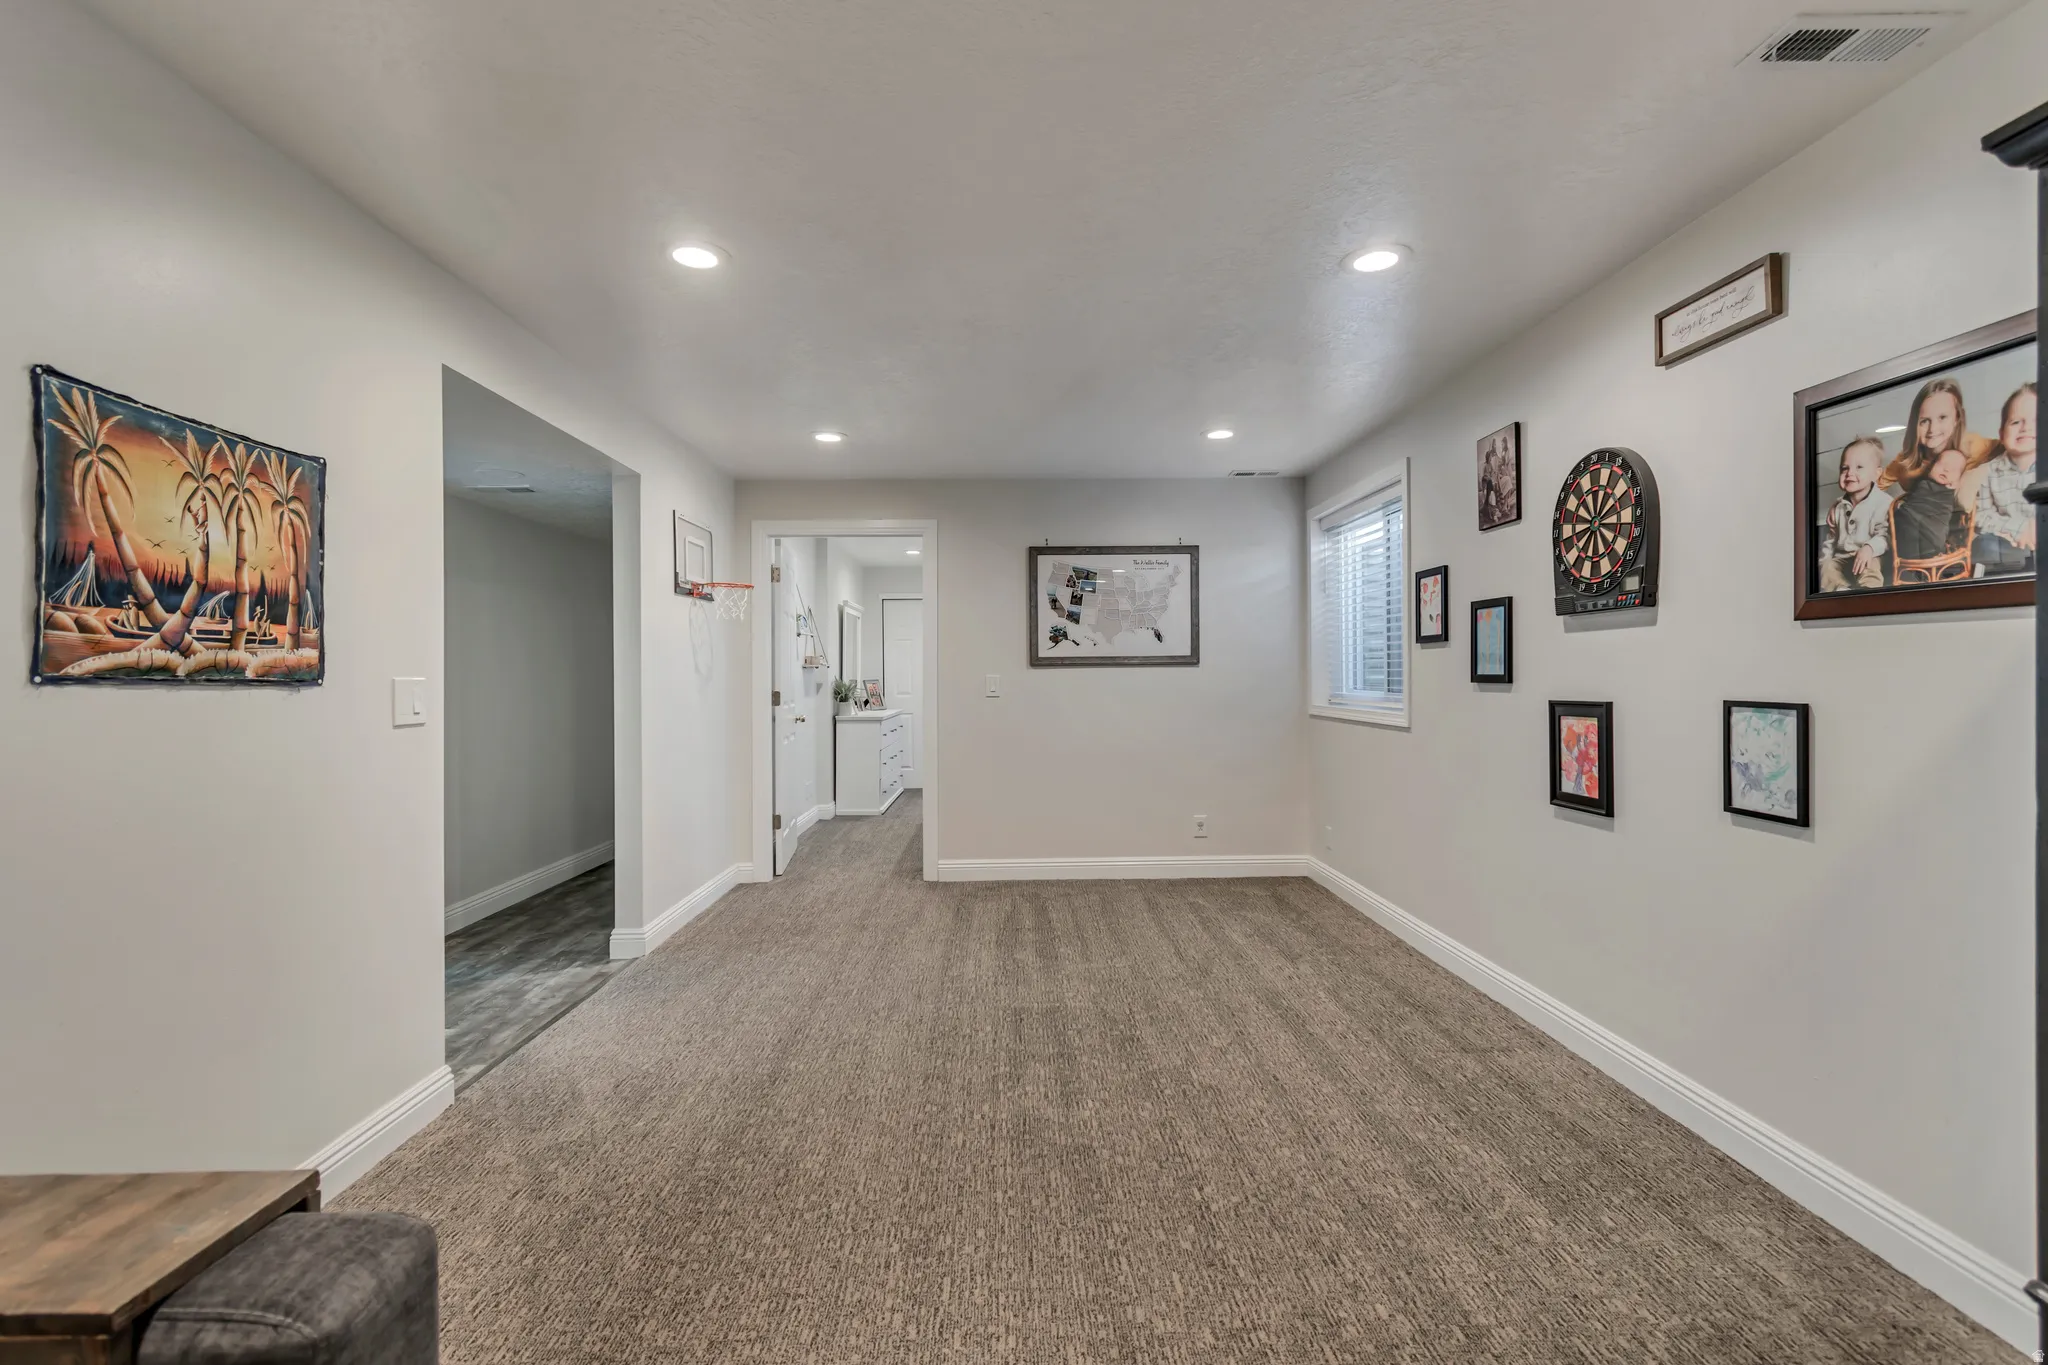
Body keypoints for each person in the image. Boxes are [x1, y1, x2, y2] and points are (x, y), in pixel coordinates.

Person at [1971, 381, 2037, 577]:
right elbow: (1981, 517)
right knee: (1984, 544)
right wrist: (2019, 527)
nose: (2025, 428)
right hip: (2007, 552)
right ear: (2001, 434)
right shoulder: (1989, 471)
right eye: (2016, 422)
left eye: (2036, 420)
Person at [1817, 436, 1893, 591]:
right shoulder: (1839, 507)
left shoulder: (1883, 503)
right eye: (1844, 468)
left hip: (1870, 555)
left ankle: (1868, 594)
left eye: (1859, 467)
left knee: (1870, 566)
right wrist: (1825, 560)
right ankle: (1841, 591)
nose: (1850, 473)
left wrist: (1869, 548)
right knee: (1827, 567)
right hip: (1843, 558)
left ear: (1877, 473)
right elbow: (1831, 539)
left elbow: (1885, 535)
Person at [1891, 445, 1970, 566]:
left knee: (1903, 520)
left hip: (1931, 535)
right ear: (1931, 467)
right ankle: (1911, 567)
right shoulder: (1922, 483)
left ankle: (1913, 568)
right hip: (1909, 525)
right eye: (1942, 464)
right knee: (1901, 521)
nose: (1946, 470)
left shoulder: (1948, 491)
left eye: (1953, 469)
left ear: (1957, 482)